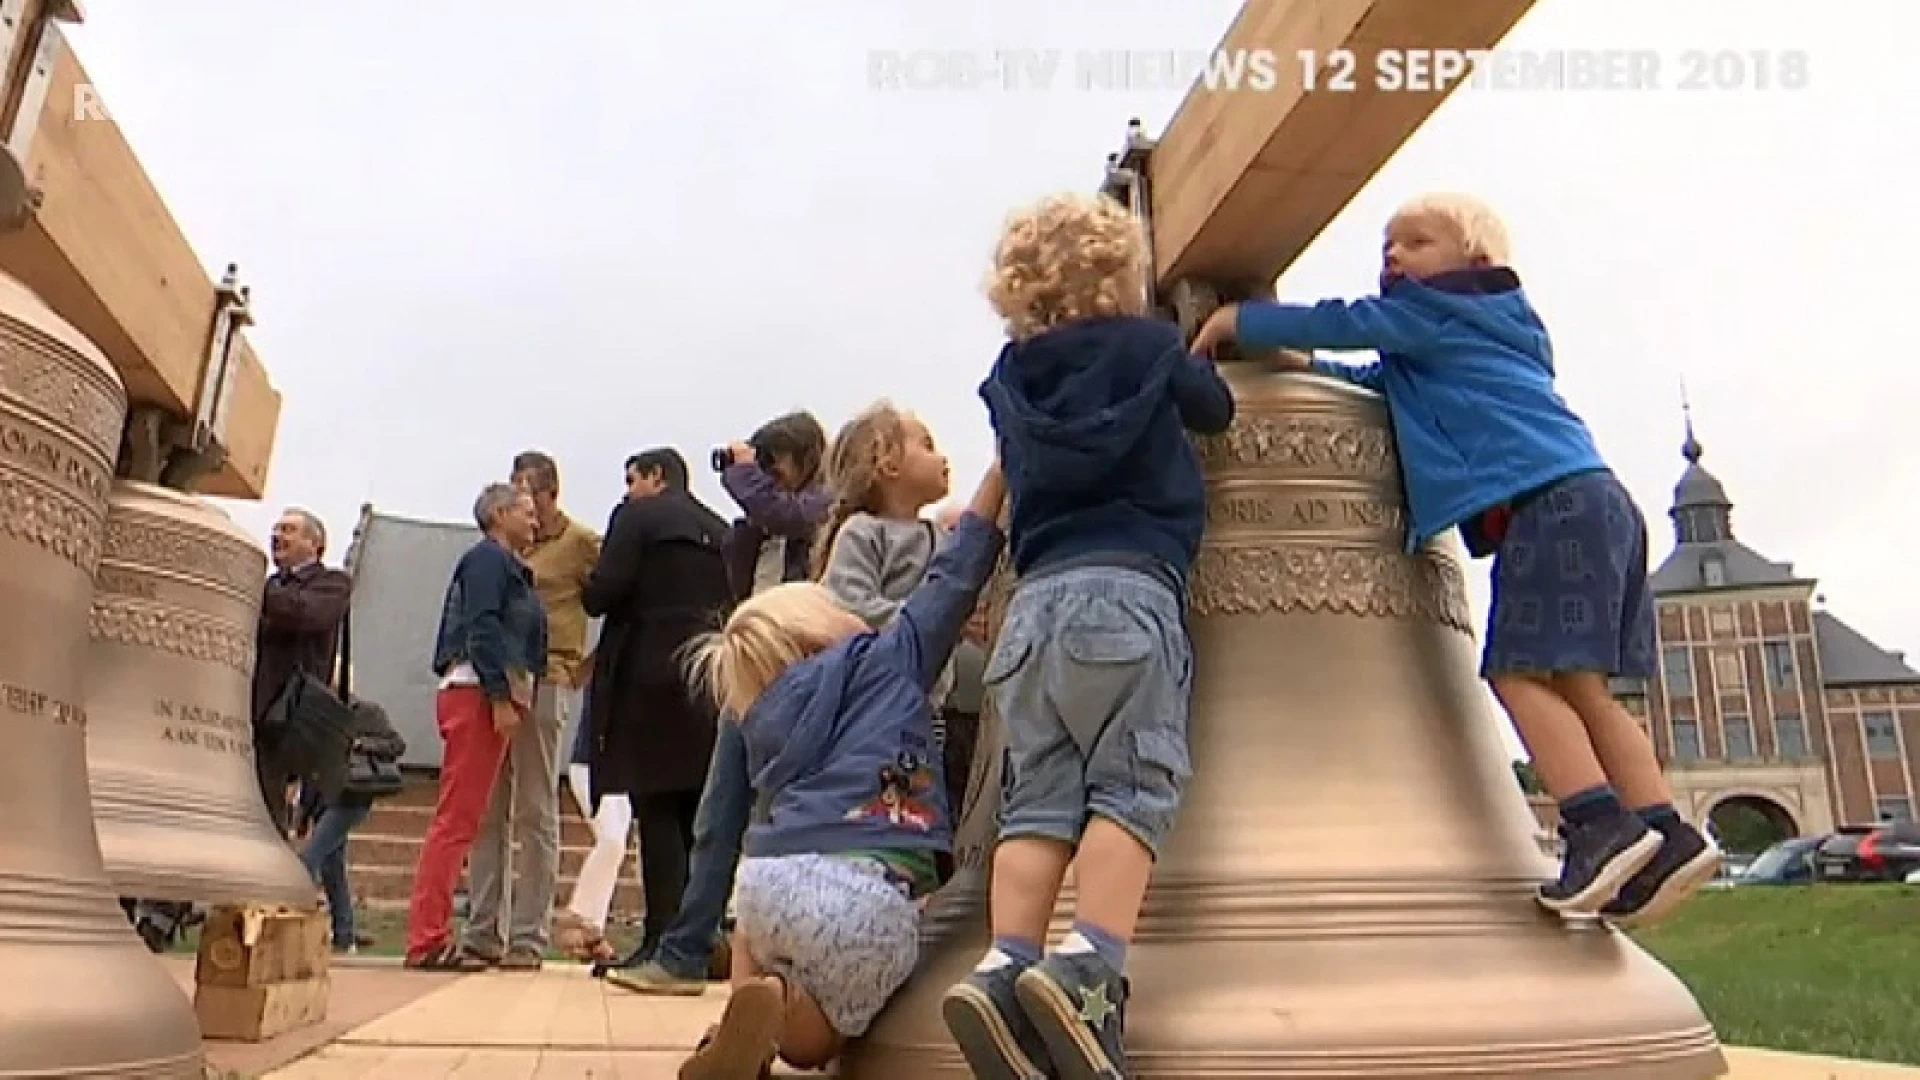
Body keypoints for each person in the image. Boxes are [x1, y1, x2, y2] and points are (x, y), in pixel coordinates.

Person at [1189, 191, 1721, 928]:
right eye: (1386, 246)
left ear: (1477, 262)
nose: (1393, 256)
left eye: (1415, 242)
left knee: (1515, 673)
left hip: (1551, 506)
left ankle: (1598, 826)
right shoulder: (1474, 337)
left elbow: (1350, 322)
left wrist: (1238, 322)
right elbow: (1381, 389)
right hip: (1598, 502)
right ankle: (1665, 833)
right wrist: (1301, 369)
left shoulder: (1452, 306)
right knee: (1584, 689)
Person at [943, 191, 1235, 1080]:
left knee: (1036, 805)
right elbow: (1213, 409)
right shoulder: (1148, 347)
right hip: (1129, 593)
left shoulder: (1011, 375)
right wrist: (1203, 340)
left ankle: (1005, 970)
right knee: (1130, 791)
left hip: (1033, 611)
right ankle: (1091, 966)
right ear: (1122, 276)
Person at [673, 463, 1007, 1080]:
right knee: (818, 1043)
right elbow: (954, 576)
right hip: (866, 901)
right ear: (821, 634)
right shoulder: (888, 657)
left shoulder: (764, 717)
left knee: (757, 938)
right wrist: (999, 475)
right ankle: (784, 1029)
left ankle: (741, 1022)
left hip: (769, 883)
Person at [611, 421, 832, 989]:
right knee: (717, 814)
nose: (765, 472)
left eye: (773, 461)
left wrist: (741, 471)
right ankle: (688, 952)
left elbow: (791, 513)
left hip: (803, 670)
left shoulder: (822, 502)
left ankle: (776, 964)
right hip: (754, 667)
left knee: (774, 817)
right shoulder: (753, 528)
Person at [582, 449, 734, 966]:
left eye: (632, 478)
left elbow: (604, 594)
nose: (627, 490)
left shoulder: (636, 518)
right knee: (699, 814)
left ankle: (661, 940)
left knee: (656, 811)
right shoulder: (720, 529)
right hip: (709, 676)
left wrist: (588, 576)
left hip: (648, 680)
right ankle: (701, 938)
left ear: (656, 477)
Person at [460, 451, 602, 970]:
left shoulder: (582, 544)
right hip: (502, 680)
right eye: (516, 497)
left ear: (551, 494)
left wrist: (586, 667)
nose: (527, 508)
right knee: (488, 808)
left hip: (549, 679)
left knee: (537, 808)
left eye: (531, 495)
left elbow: (620, 596)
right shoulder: (501, 552)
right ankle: (482, 931)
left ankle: (527, 935)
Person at [405, 482, 547, 971]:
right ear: (500, 514)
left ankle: (432, 932)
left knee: (464, 820)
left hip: (485, 692)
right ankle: (427, 938)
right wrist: (498, 695)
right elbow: (483, 625)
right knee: (457, 820)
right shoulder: (488, 561)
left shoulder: (508, 566)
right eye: (526, 513)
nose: (535, 521)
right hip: (475, 693)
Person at [813, 400, 957, 712]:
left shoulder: (943, 538)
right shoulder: (862, 532)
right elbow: (848, 603)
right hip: (873, 698)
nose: (942, 457)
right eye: (927, 446)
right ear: (887, 463)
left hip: (928, 701)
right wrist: (926, 623)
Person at [300, 698, 406, 954]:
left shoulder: (366, 712)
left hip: (351, 798)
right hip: (324, 799)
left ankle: (298, 923)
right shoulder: (319, 716)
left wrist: (360, 744)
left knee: (308, 859)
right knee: (331, 867)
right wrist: (304, 812)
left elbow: (396, 744)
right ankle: (344, 935)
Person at [720, 410, 832, 598]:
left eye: (772, 459)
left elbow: (786, 516)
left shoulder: (830, 498)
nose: (767, 470)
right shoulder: (766, 515)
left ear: (807, 457)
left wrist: (745, 474)